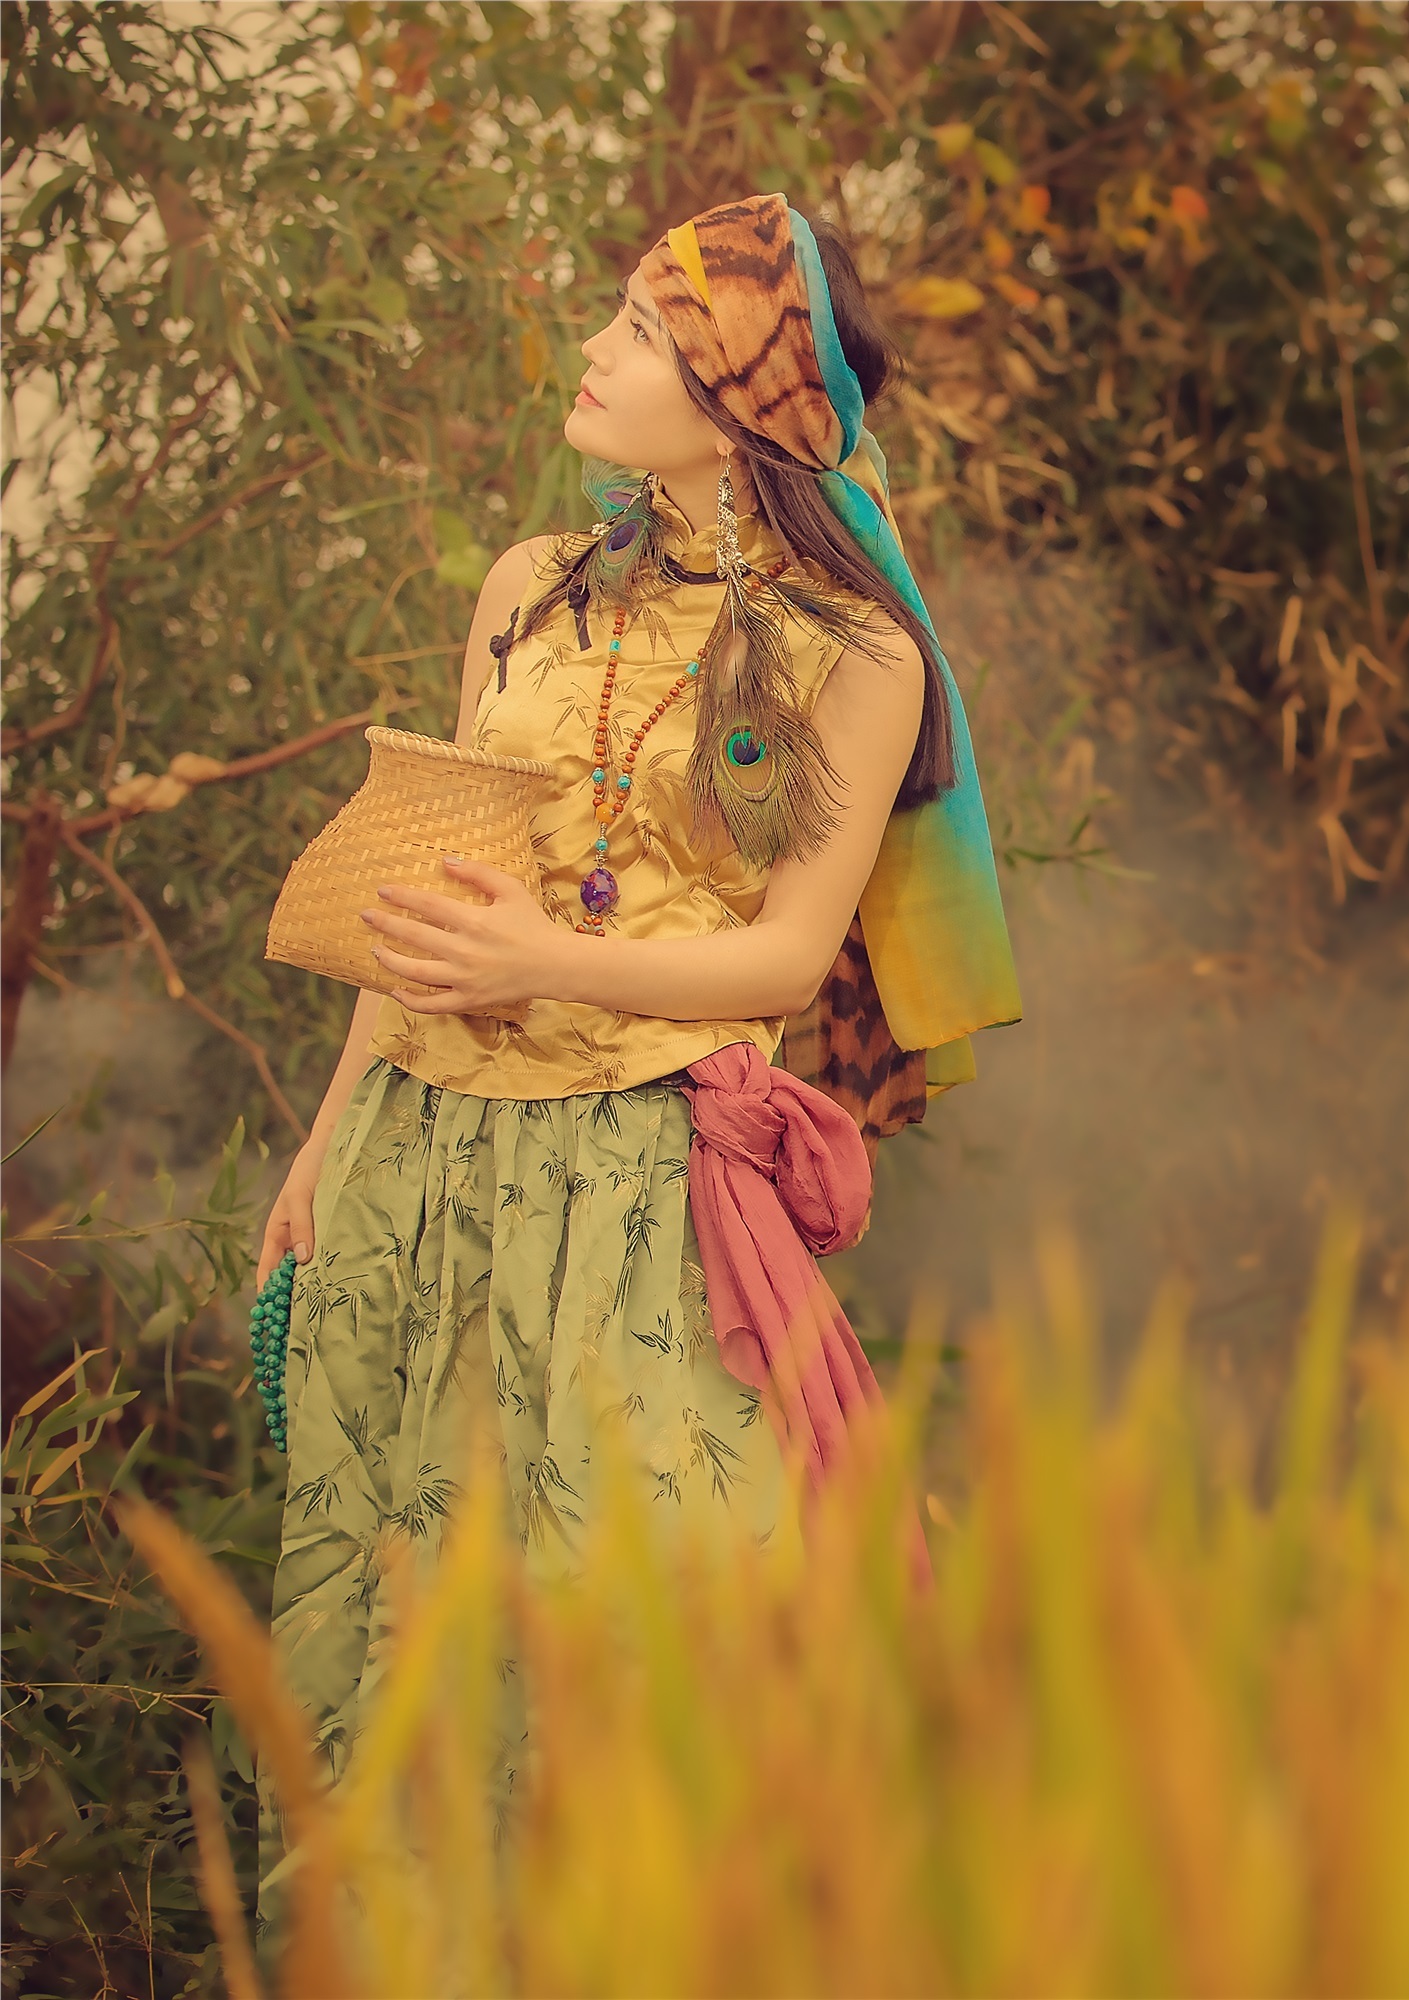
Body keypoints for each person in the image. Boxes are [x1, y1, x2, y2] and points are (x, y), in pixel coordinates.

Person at [244, 193, 1021, 1942]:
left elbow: (789, 955)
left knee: (642, 1597)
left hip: (628, 1177)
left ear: (747, 396)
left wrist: (551, 965)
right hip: (421, 1146)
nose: (595, 353)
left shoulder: (860, 652)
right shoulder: (532, 589)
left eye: (643, 336)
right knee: (413, 1588)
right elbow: (430, 883)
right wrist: (325, 1134)